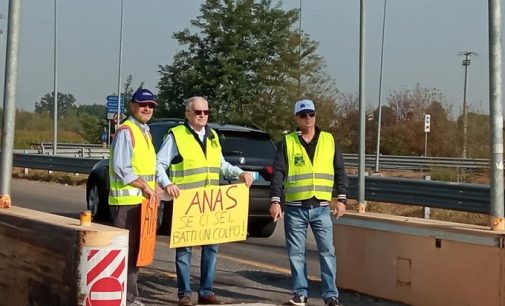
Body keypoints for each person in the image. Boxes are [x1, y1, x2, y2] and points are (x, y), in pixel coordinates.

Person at [156, 96, 253, 306]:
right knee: (185, 250)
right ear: (188, 114)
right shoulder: (176, 136)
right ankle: (185, 293)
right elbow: (159, 164)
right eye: (198, 112)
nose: (202, 116)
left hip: (210, 205)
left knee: (211, 248)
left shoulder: (213, 136)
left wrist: (240, 173)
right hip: (187, 204)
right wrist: (167, 184)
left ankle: (206, 291)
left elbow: (221, 164)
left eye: (206, 112)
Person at [269, 99, 348, 306]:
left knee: (327, 252)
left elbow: (340, 170)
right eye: (303, 115)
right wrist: (276, 200)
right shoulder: (287, 142)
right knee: (296, 254)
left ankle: (331, 295)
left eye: (311, 114)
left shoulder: (329, 140)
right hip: (295, 208)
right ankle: (300, 294)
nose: (308, 119)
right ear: (296, 118)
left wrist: (342, 198)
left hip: (321, 208)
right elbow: (278, 172)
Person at [108, 88, 159, 306]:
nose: (147, 108)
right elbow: (121, 168)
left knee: (137, 253)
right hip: (127, 203)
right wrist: (145, 187)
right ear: (132, 105)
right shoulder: (127, 131)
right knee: (126, 254)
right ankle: (126, 299)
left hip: (142, 203)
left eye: (151, 106)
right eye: (142, 104)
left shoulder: (144, 131)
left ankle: (130, 297)